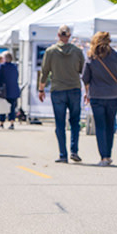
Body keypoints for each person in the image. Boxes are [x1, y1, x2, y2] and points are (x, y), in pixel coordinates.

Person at [82, 32, 117, 166]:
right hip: (113, 96)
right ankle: (108, 155)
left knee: (100, 127)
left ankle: (103, 156)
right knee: (110, 126)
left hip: (97, 96)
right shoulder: (116, 56)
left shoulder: (91, 56)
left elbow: (85, 77)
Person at [38, 24, 85, 163]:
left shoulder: (50, 51)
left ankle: (62, 154)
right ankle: (74, 150)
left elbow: (45, 71)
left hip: (57, 90)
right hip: (74, 89)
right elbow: (82, 70)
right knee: (75, 122)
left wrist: (41, 89)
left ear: (58, 35)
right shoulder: (77, 51)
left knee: (59, 123)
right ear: (69, 36)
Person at [0, 52, 20, 129]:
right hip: (14, 89)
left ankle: (1, 123)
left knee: (2, 106)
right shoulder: (14, 66)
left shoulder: (1, 66)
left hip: (4, 90)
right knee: (12, 107)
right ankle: (12, 123)